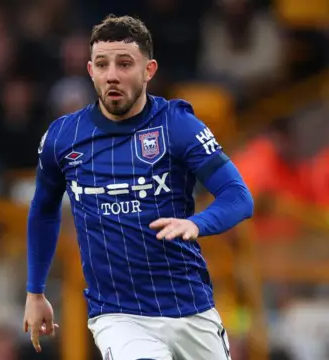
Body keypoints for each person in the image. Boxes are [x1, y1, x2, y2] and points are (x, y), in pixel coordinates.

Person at [23, 15, 254, 360]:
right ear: (90, 70)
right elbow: (43, 210)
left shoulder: (178, 127)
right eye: (102, 64)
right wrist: (35, 292)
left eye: (125, 63)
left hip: (189, 306)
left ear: (149, 70)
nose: (112, 74)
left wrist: (196, 223)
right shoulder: (62, 138)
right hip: (119, 314)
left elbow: (239, 197)